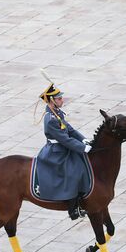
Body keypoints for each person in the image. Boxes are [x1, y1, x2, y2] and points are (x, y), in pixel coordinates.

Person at [35, 84, 92, 220]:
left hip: (64, 148)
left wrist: (83, 140)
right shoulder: (50, 120)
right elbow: (65, 140)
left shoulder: (57, 113)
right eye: (59, 99)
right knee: (73, 173)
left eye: (61, 98)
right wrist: (82, 148)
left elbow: (70, 130)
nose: (62, 101)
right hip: (56, 152)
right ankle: (72, 210)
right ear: (51, 101)